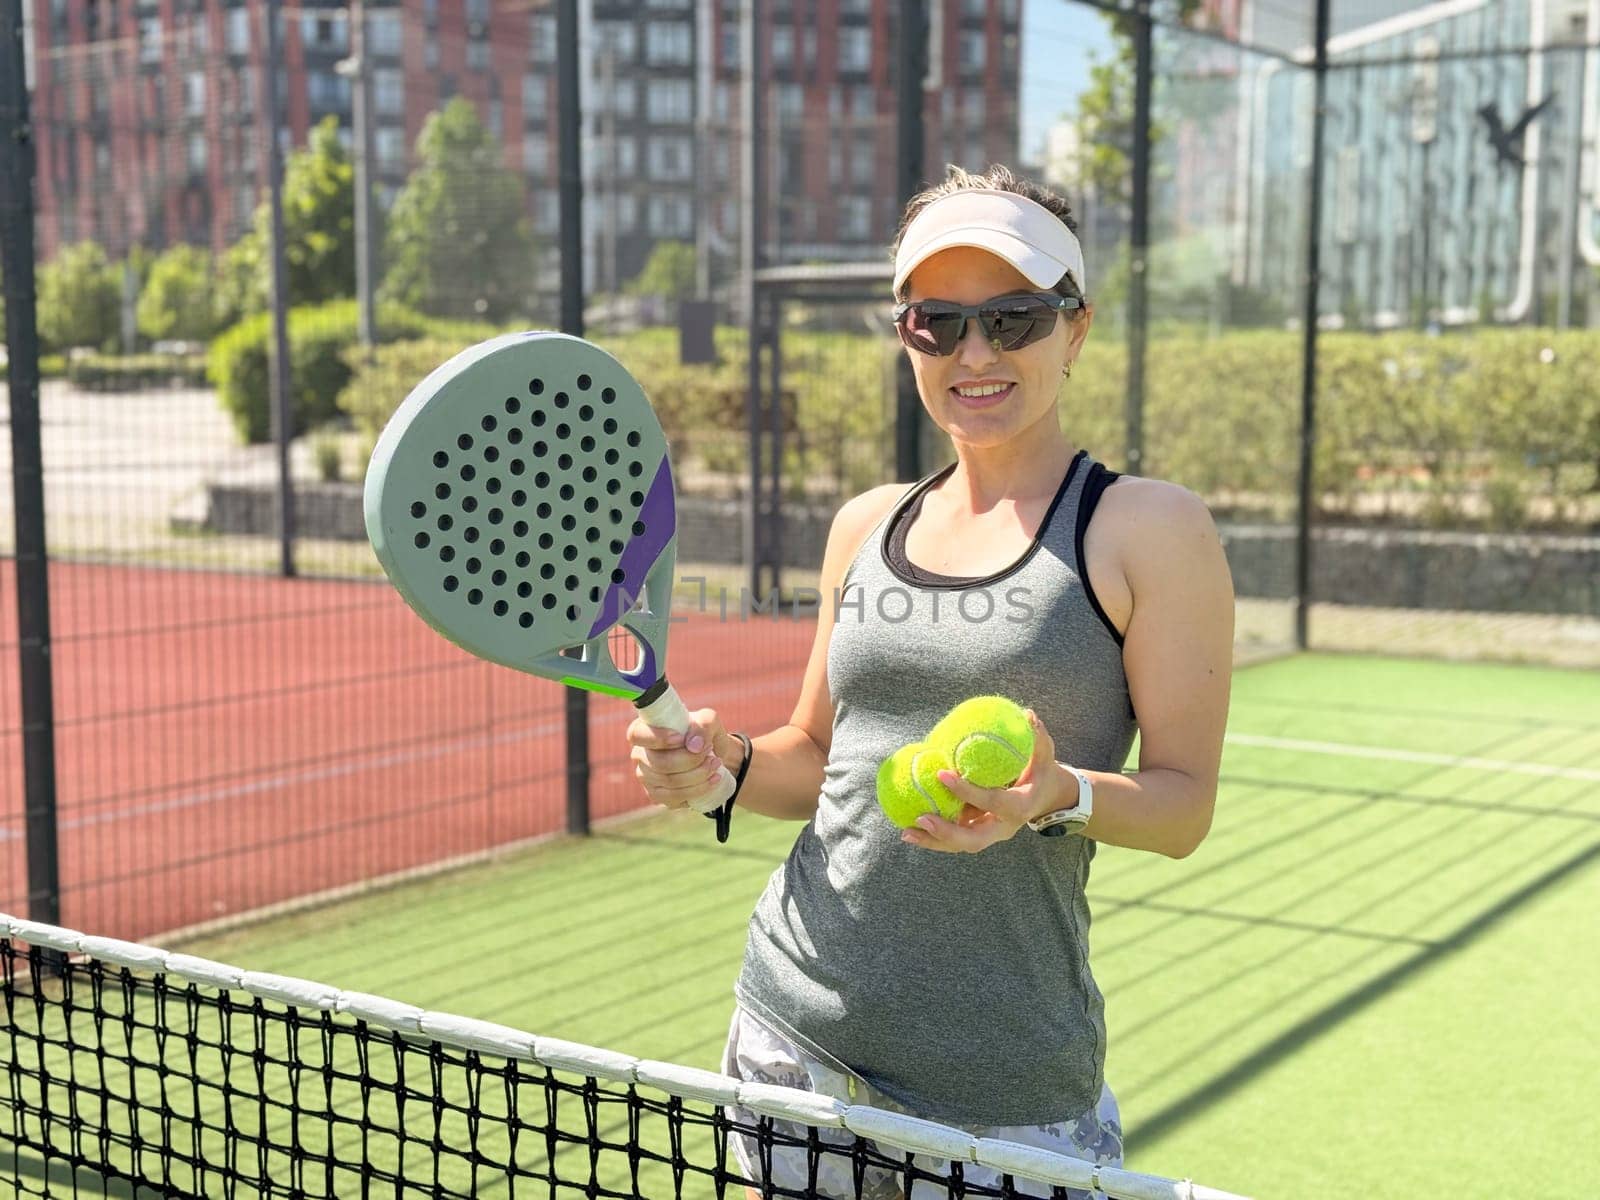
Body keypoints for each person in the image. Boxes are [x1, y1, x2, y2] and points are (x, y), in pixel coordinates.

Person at [626, 164, 1235, 1200]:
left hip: (1003, 1088)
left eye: (1012, 318)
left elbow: (1181, 808)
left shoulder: (1147, 528)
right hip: (792, 1038)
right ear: (906, 336)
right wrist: (722, 765)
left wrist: (1056, 797)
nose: (975, 353)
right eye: (937, 323)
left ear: (1074, 329)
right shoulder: (865, 524)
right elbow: (815, 758)